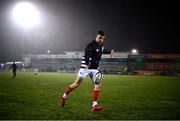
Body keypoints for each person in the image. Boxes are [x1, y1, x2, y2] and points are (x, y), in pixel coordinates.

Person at [60, 30, 114, 111]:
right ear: (96, 36)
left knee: (98, 84)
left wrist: (110, 51)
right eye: (99, 38)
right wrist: (87, 63)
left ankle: (94, 105)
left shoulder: (101, 46)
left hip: (95, 68)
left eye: (102, 39)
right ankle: (64, 96)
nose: (101, 40)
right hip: (86, 67)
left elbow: (103, 51)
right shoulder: (90, 45)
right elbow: (87, 55)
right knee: (76, 84)